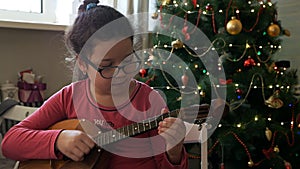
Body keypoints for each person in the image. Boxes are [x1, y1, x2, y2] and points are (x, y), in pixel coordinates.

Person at [1, 0, 188, 169]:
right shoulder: (70, 97)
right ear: (82, 63)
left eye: (128, 60)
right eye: (106, 66)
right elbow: (10, 143)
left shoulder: (149, 102)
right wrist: (58, 140)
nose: (120, 73)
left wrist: (173, 151)